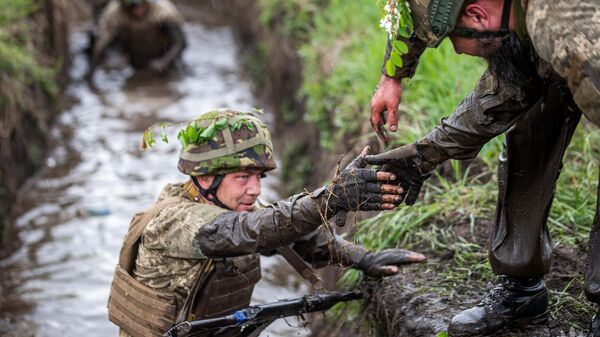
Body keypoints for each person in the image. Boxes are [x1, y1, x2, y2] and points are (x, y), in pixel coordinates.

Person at [367, 0, 599, 336]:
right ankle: (522, 287)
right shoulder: (509, 17)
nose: (459, 53)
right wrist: (420, 153)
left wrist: (424, 153)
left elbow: (510, 91)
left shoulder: (565, 30)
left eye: (452, 40)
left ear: (477, 14)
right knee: (529, 115)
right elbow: (510, 92)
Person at [108, 109, 426, 337]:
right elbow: (251, 231)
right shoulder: (172, 222)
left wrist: (364, 258)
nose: (255, 189)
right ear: (204, 178)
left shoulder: (229, 207)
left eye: (259, 177)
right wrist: (331, 198)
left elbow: (301, 241)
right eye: (243, 178)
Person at [86, 0, 186, 82]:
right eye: (133, 6)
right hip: (135, 57)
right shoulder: (114, 13)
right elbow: (100, 44)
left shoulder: (163, 10)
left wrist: (164, 62)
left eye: (140, 5)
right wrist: (90, 76)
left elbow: (180, 42)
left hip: (162, 55)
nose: (138, 10)